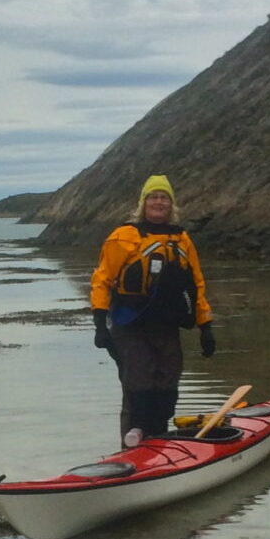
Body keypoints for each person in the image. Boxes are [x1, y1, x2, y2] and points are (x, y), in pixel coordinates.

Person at [89, 174, 214, 444]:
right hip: (129, 323)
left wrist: (206, 326)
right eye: (153, 197)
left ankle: (157, 441)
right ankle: (132, 447)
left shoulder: (182, 239)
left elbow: (196, 284)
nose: (159, 202)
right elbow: (102, 280)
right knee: (138, 384)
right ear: (143, 203)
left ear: (171, 205)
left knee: (167, 386)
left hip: (166, 325)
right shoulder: (123, 237)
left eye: (164, 198)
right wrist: (100, 323)